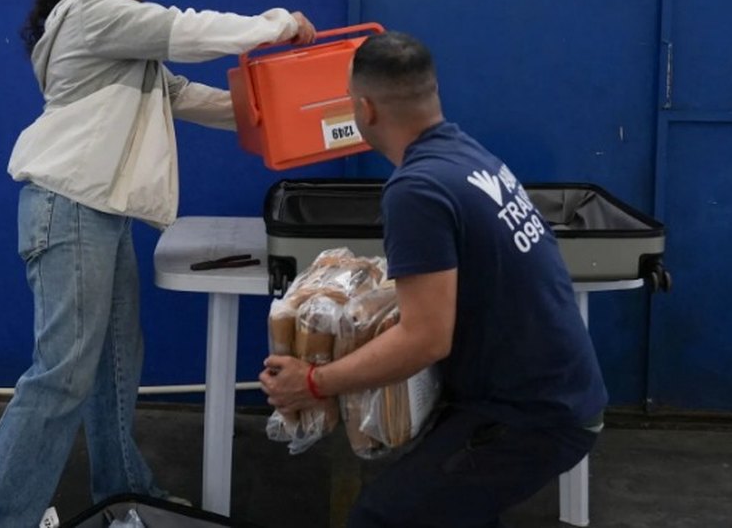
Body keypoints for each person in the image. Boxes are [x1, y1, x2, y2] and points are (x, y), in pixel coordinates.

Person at [0, 0, 316, 528]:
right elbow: (187, 30)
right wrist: (278, 26)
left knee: (114, 369)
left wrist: (270, 112)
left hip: (96, 215)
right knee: (61, 377)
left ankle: (124, 498)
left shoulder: (111, 36)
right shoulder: (94, 13)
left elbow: (180, 95)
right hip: (71, 209)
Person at [259, 31, 607, 528]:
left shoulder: (416, 190)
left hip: (530, 415)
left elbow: (426, 338)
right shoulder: (465, 155)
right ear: (432, 93)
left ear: (363, 109)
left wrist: (314, 381)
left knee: (383, 518)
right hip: (555, 392)